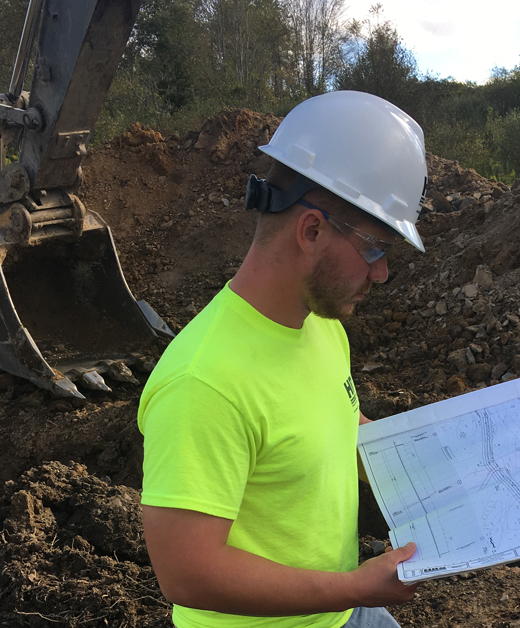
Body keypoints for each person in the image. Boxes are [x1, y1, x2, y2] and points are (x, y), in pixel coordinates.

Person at [138, 91, 428, 628]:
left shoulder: (320, 326)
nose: (382, 273)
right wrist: (356, 587)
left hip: (340, 615)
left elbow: (330, 422)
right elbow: (187, 573)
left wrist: (430, 454)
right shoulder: (205, 381)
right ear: (311, 231)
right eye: (375, 248)